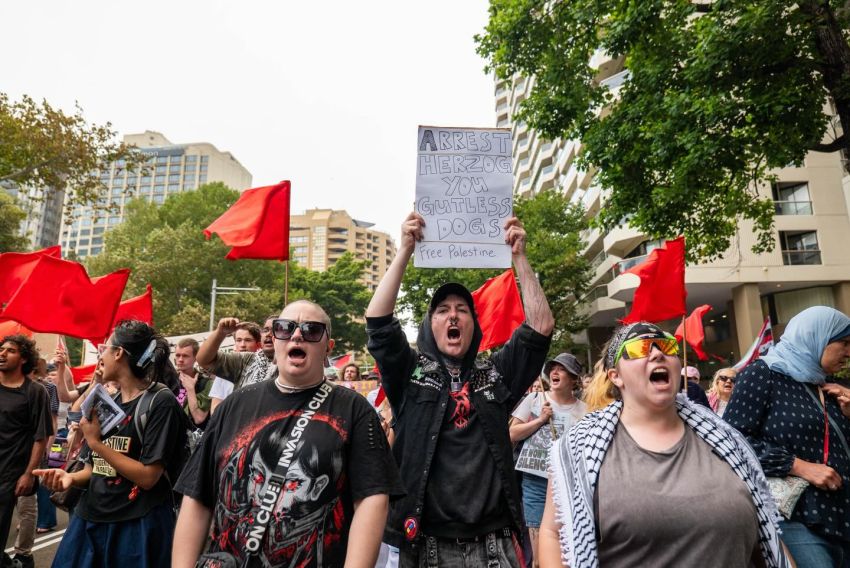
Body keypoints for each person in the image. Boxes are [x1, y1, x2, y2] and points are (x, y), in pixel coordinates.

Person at [366, 211, 554, 566]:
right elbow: (377, 321)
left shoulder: (496, 373)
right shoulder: (409, 373)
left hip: (496, 546)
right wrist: (404, 250)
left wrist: (519, 257)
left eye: (462, 310)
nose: (453, 316)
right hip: (426, 546)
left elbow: (541, 326)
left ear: (473, 324)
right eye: (442, 310)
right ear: (429, 325)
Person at [173, 300, 404, 568]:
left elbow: (372, 500)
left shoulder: (355, 410)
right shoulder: (235, 405)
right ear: (274, 340)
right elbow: (197, 496)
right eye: (285, 328)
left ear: (327, 347)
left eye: (311, 330)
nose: (297, 334)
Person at [540, 322, 789, 568]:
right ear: (616, 376)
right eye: (640, 348)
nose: (658, 353)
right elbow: (553, 534)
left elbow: (765, 536)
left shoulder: (725, 439)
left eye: (667, 347)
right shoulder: (581, 446)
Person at [35, 320, 188, 567]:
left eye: (104, 348)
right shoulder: (105, 401)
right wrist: (69, 478)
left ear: (119, 353)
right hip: (90, 520)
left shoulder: (160, 402)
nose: (100, 355)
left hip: (137, 525)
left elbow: (149, 477)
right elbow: (94, 468)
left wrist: (96, 443)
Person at [724, 306, 850, 567]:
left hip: (841, 517)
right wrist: (800, 467)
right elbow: (732, 441)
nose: (849, 353)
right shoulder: (763, 374)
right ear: (817, 337)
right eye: (844, 343)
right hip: (796, 517)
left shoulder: (826, 385)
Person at [510, 353, 587, 568]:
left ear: (573, 379)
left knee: (564, 551)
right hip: (535, 483)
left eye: (561, 369)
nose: (555, 372)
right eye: (552, 368)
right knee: (538, 557)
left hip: (568, 486)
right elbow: (511, 434)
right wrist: (541, 420)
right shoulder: (535, 400)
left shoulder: (585, 410)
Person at [0, 336, 52, 568]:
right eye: (1, 349)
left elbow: (40, 438)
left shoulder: (35, 392)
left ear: (23, 358)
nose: (2, 354)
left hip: (9, 475)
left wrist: (28, 474)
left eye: (10, 351)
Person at [197, 316, 277, 401]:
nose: (268, 334)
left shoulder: (290, 365)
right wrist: (220, 332)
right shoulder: (247, 360)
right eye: (265, 330)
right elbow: (204, 360)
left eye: (276, 330)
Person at [208, 321, 261, 414]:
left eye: (248, 340)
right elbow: (215, 411)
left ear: (258, 344)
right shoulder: (224, 370)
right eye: (239, 340)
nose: (242, 345)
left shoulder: (266, 369)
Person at [174, 338, 212, 427]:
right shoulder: (169, 379)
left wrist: (190, 389)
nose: (180, 359)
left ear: (196, 358)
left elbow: (199, 418)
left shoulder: (206, 383)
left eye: (185, 356)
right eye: (177, 355)